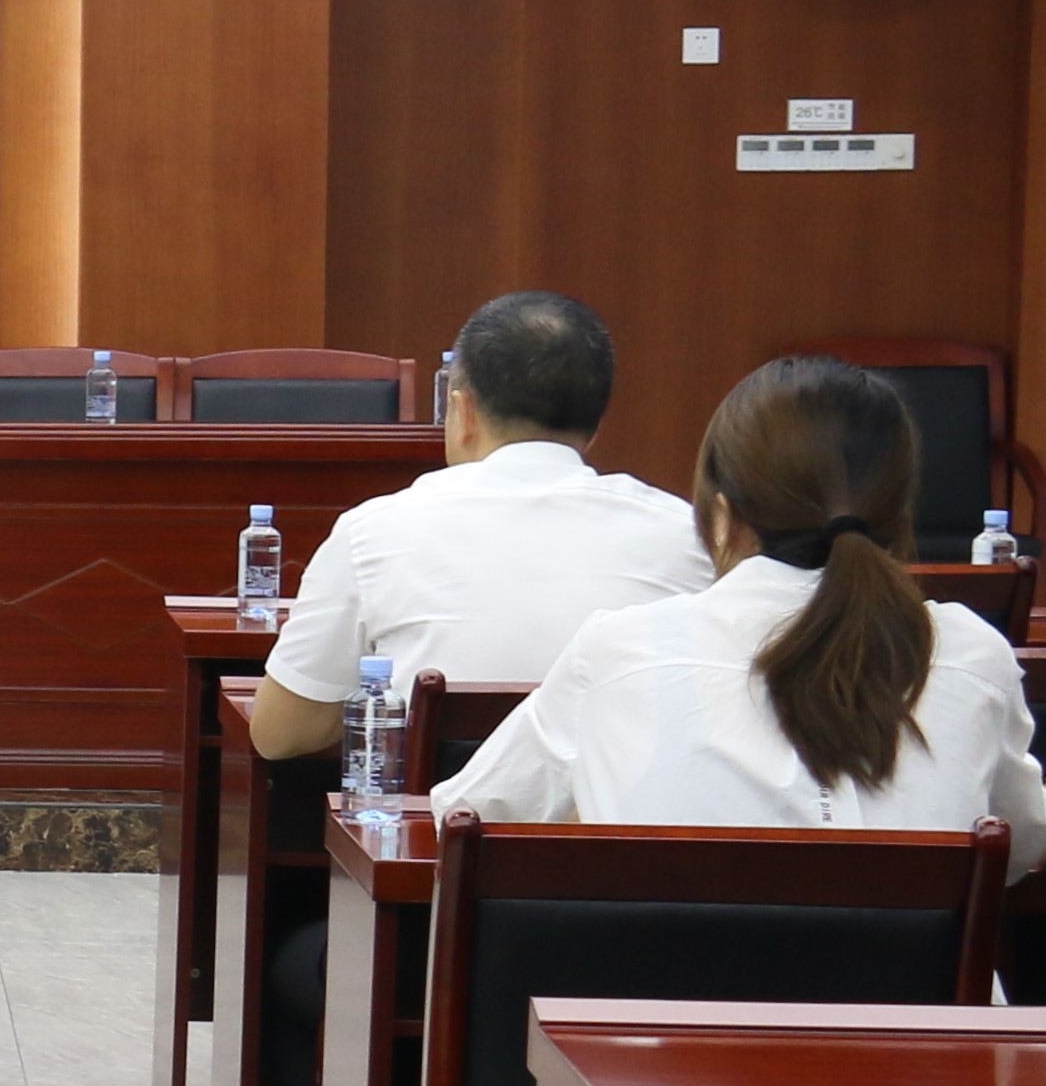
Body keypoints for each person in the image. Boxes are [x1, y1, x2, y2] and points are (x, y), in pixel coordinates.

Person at [431, 355, 1046, 849]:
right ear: (898, 512)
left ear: (723, 517)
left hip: (666, 980)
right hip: (915, 983)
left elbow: (470, 817)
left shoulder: (621, 651)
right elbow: (1025, 842)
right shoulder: (971, 654)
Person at [247, 291, 709, 762]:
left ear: (463, 412)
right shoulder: (688, 534)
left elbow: (280, 734)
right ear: (595, 428)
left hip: (444, 810)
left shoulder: (372, 532)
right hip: (626, 808)